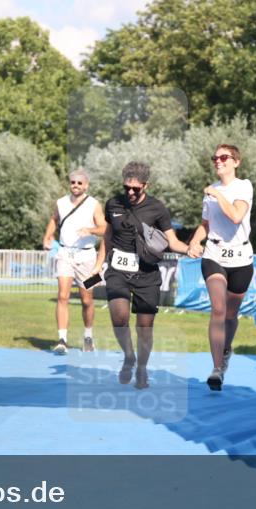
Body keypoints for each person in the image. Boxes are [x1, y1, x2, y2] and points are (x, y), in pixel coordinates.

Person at [92, 161, 192, 389]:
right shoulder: (113, 204)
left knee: (145, 327)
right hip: (118, 270)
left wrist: (189, 248)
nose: (130, 192)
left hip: (146, 273)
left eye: (135, 188)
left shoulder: (157, 208)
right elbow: (107, 237)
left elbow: (172, 241)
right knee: (119, 317)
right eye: (126, 187)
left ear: (146, 185)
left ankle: (142, 368)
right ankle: (129, 356)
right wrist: (99, 265)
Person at [186, 144, 254, 391]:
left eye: (223, 157)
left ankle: (225, 351)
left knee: (230, 315)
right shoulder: (211, 191)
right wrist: (195, 241)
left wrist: (217, 196)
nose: (218, 161)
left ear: (236, 161)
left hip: (241, 258)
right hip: (214, 253)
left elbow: (236, 216)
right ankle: (216, 369)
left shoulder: (243, 186)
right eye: (214, 157)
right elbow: (206, 223)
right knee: (217, 307)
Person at [42, 169, 106, 354]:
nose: (76, 185)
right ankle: (62, 340)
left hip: (88, 257)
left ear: (86, 185)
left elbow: (104, 228)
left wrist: (90, 230)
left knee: (87, 300)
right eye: (73, 182)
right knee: (63, 296)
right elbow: (54, 219)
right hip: (64, 254)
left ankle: (88, 337)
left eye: (79, 183)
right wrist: (47, 237)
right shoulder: (61, 203)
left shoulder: (94, 204)